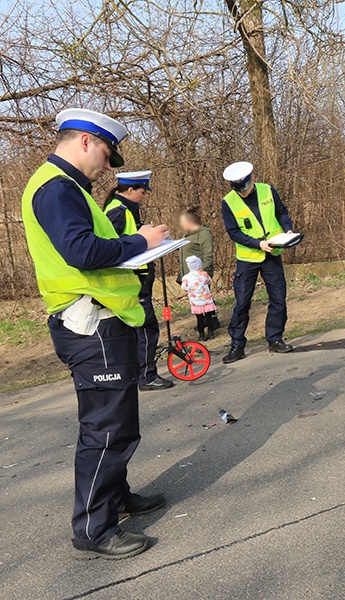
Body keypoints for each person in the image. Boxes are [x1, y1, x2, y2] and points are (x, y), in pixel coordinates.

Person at [21, 108, 170, 559]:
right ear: (85, 141)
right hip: (92, 325)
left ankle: (117, 498)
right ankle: (93, 530)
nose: (109, 166)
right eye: (107, 154)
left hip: (102, 321)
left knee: (118, 424)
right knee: (106, 429)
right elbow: (82, 251)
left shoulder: (68, 187)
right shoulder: (56, 188)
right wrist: (141, 243)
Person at [104, 171, 175, 391]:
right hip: (132, 280)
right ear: (131, 190)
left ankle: (136, 375)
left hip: (137, 278)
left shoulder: (125, 209)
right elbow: (111, 246)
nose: (145, 196)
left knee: (137, 330)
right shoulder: (117, 211)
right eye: (143, 192)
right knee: (146, 328)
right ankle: (146, 376)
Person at [220, 161, 296, 363]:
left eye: (244, 187)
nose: (242, 192)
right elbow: (233, 232)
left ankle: (275, 339)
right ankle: (237, 344)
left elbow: (282, 213)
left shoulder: (268, 190)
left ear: (252, 179)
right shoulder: (228, 202)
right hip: (248, 258)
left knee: (278, 298)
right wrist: (257, 243)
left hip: (273, 253)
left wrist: (287, 229)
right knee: (242, 302)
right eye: (238, 189)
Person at [177, 207, 219, 335]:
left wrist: (203, 274)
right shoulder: (188, 234)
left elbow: (208, 254)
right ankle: (203, 322)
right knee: (197, 300)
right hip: (190, 275)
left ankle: (212, 322)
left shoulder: (203, 233)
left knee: (205, 298)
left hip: (200, 275)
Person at [181, 255, 217, 341]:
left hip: (196, 302)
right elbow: (209, 281)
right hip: (207, 301)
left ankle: (201, 335)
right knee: (209, 317)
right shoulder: (204, 274)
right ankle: (211, 332)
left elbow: (184, 288)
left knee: (200, 319)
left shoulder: (186, 278)